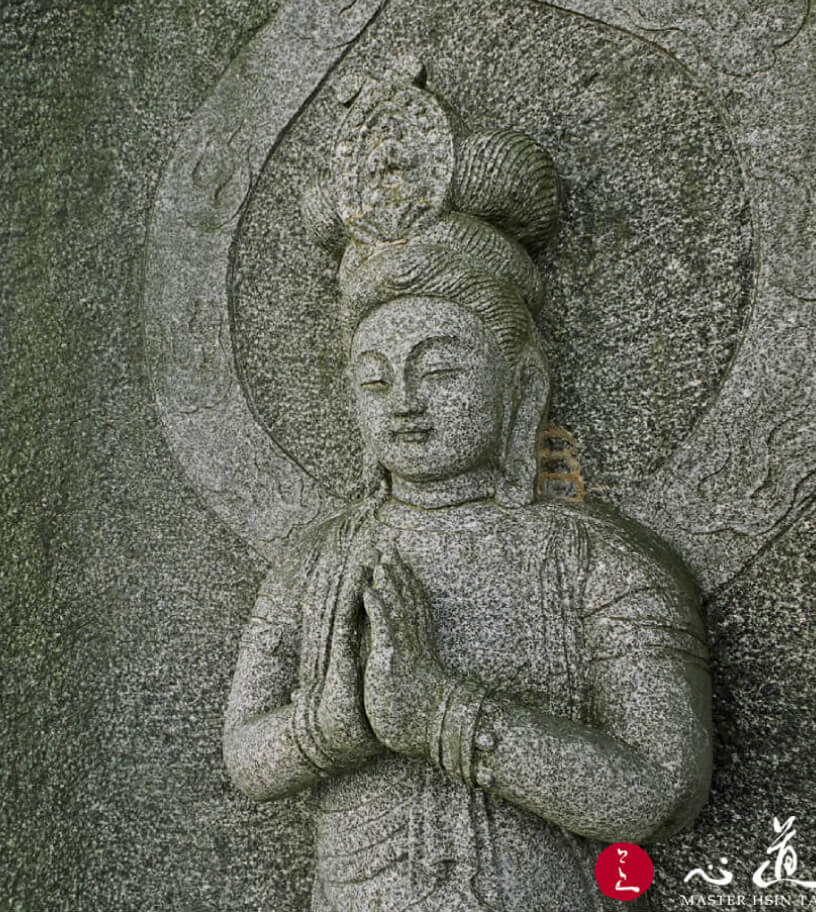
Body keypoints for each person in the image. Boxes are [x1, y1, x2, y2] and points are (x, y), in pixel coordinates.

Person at [222, 72, 712, 912]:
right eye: (376, 380)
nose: (405, 403)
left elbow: (660, 792)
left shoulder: (597, 564)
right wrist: (332, 727)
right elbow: (245, 752)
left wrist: (443, 715)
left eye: (441, 369)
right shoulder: (317, 562)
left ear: (521, 387)